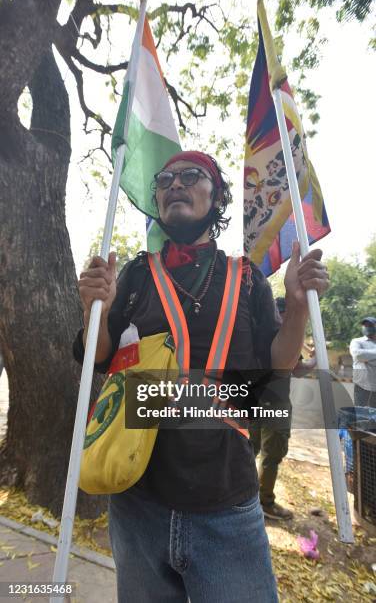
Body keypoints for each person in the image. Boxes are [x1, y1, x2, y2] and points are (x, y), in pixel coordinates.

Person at [73, 151, 329, 603]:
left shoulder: (246, 278)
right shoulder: (133, 275)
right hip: (138, 502)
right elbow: (99, 356)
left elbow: (278, 363)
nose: (176, 184)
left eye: (192, 176)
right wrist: (100, 307)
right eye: (166, 178)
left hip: (225, 502)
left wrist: (297, 307)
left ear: (216, 196)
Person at [249, 296, 316, 520]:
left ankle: (243, 497)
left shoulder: (257, 329)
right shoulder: (285, 334)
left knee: (251, 449)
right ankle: (265, 502)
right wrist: (316, 361)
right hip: (275, 403)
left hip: (253, 399)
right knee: (272, 453)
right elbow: (297, 369)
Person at [349, 316, 376, 408]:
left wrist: (368, 358)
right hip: (361, 385)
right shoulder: (357, 341)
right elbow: (358, 355)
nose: (366, 327)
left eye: (370, 325)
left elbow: (363, 356)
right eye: (365, 325)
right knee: (360, 413)